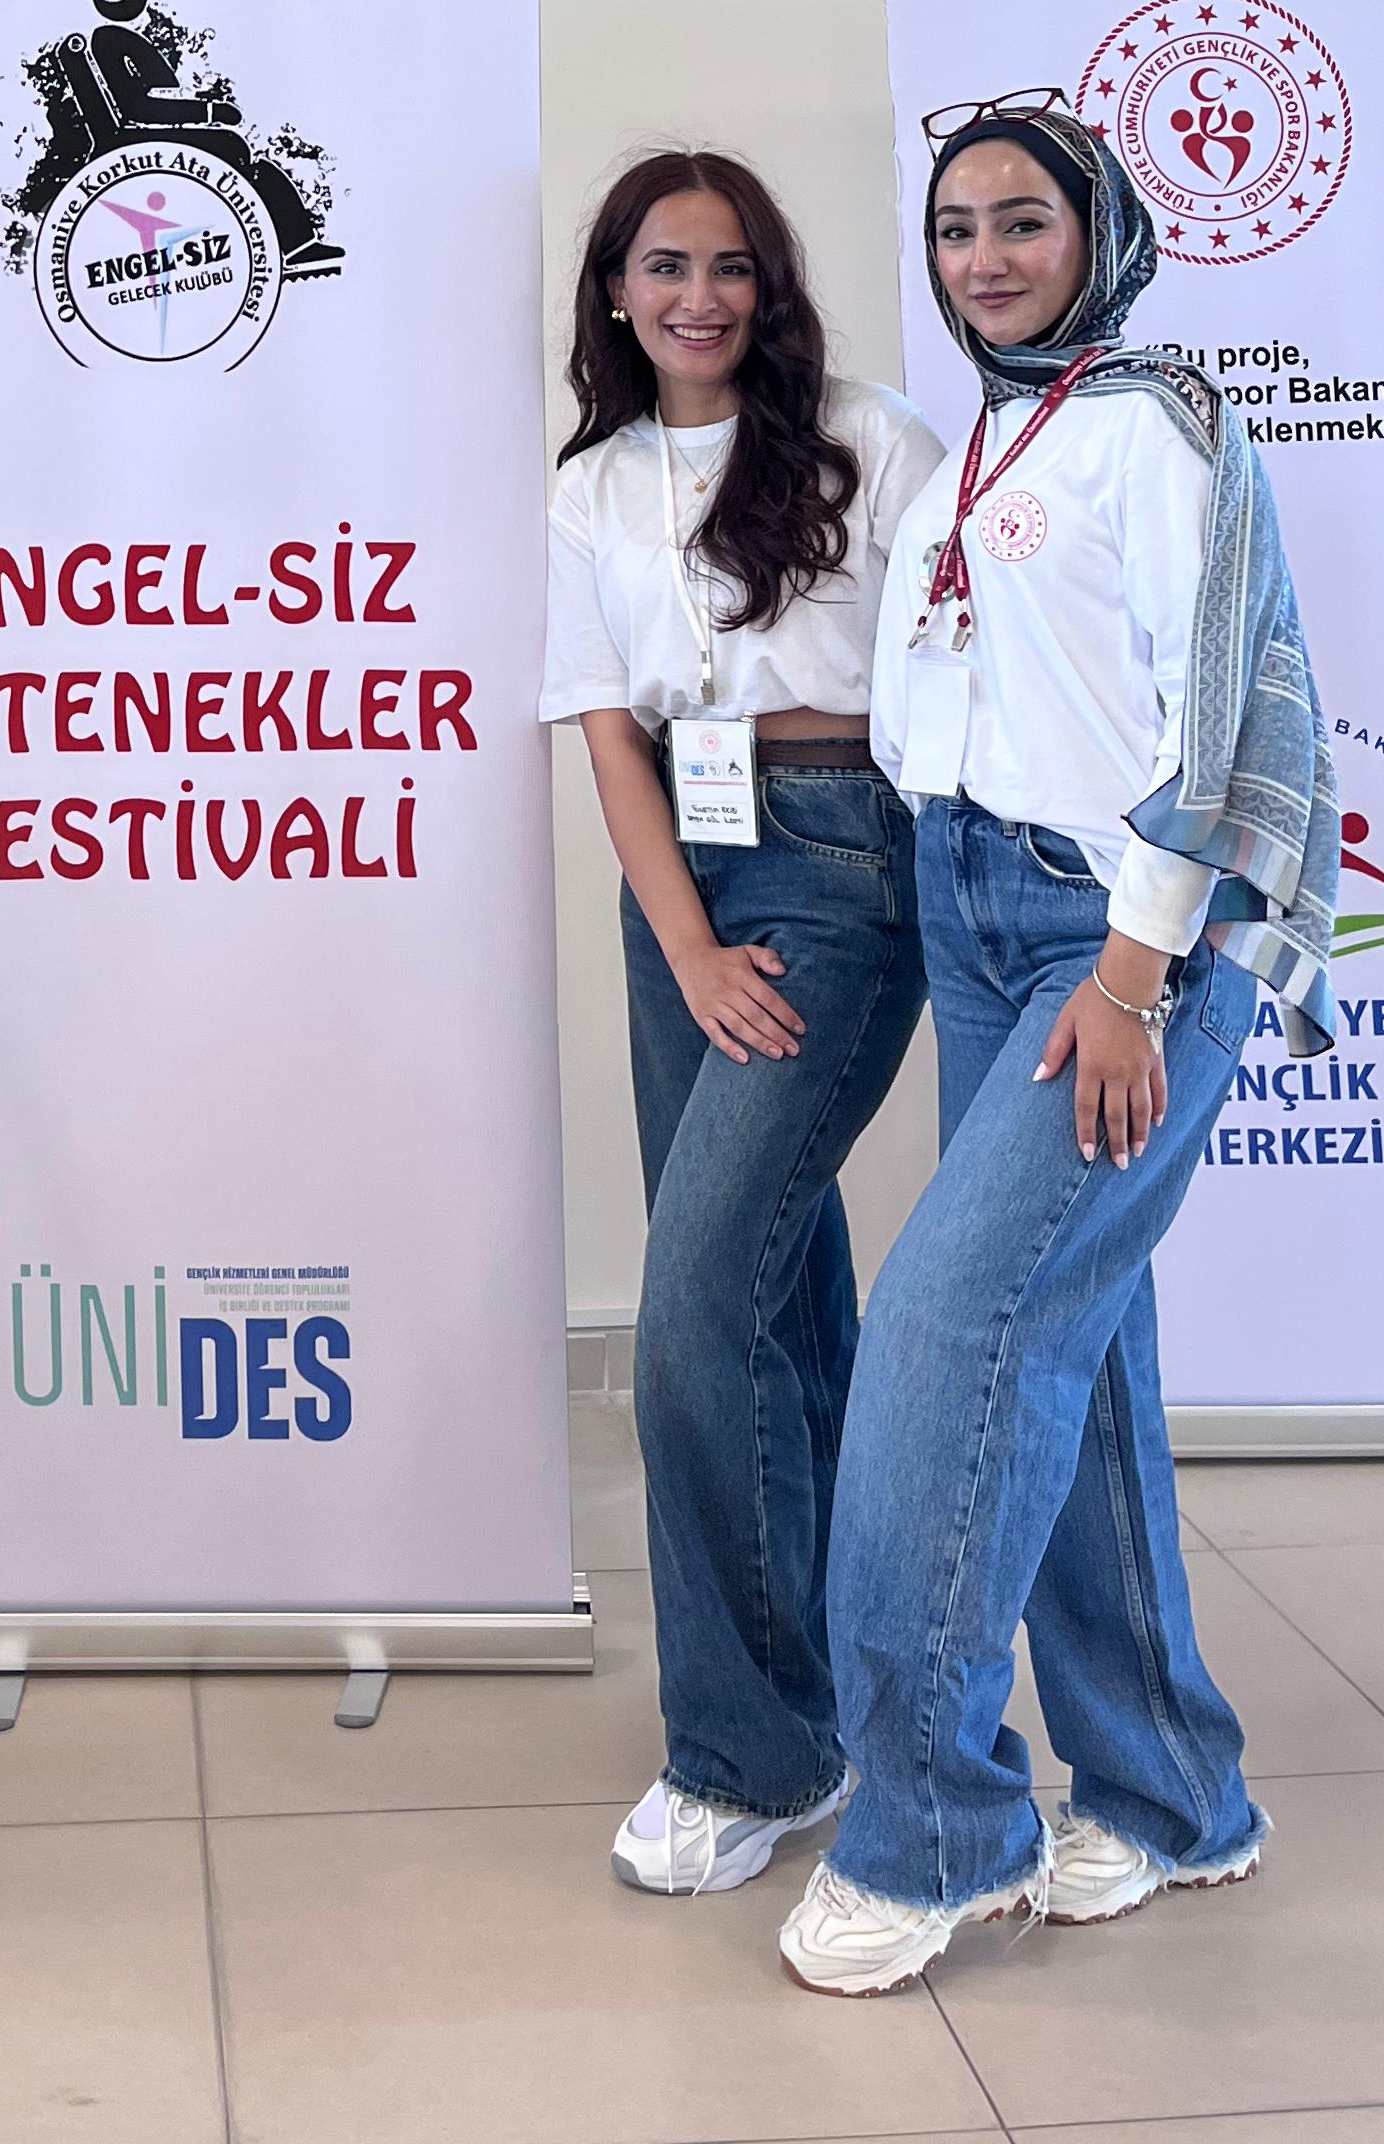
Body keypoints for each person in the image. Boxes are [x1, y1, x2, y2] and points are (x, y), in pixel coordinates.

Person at [780, 97, 1340, 1997]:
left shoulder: (1155, 422)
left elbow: (1211, 706)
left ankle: (932, 1830)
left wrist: (1130, 972)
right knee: (1068, 1348)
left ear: (1098, 233)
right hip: (969, 905)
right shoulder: (987, 434)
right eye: (955, 228)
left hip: (1107, 935)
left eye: (1021, 220)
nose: (984, 257)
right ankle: (1173, 1794)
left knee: (944, 1339)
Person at [543, 149, 943, 1902]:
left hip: (841, 852)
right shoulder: (588, 487)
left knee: (691, 1311)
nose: (694, 296)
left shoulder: (870, 440)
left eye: (726, 266)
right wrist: (687, 944)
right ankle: (834, 1697)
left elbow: (956, 665)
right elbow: (607, 736)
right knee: (770, 1294)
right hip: (678, 884)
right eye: (662, 266)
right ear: (615, 295)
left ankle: (744, 1755)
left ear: (767, 287)